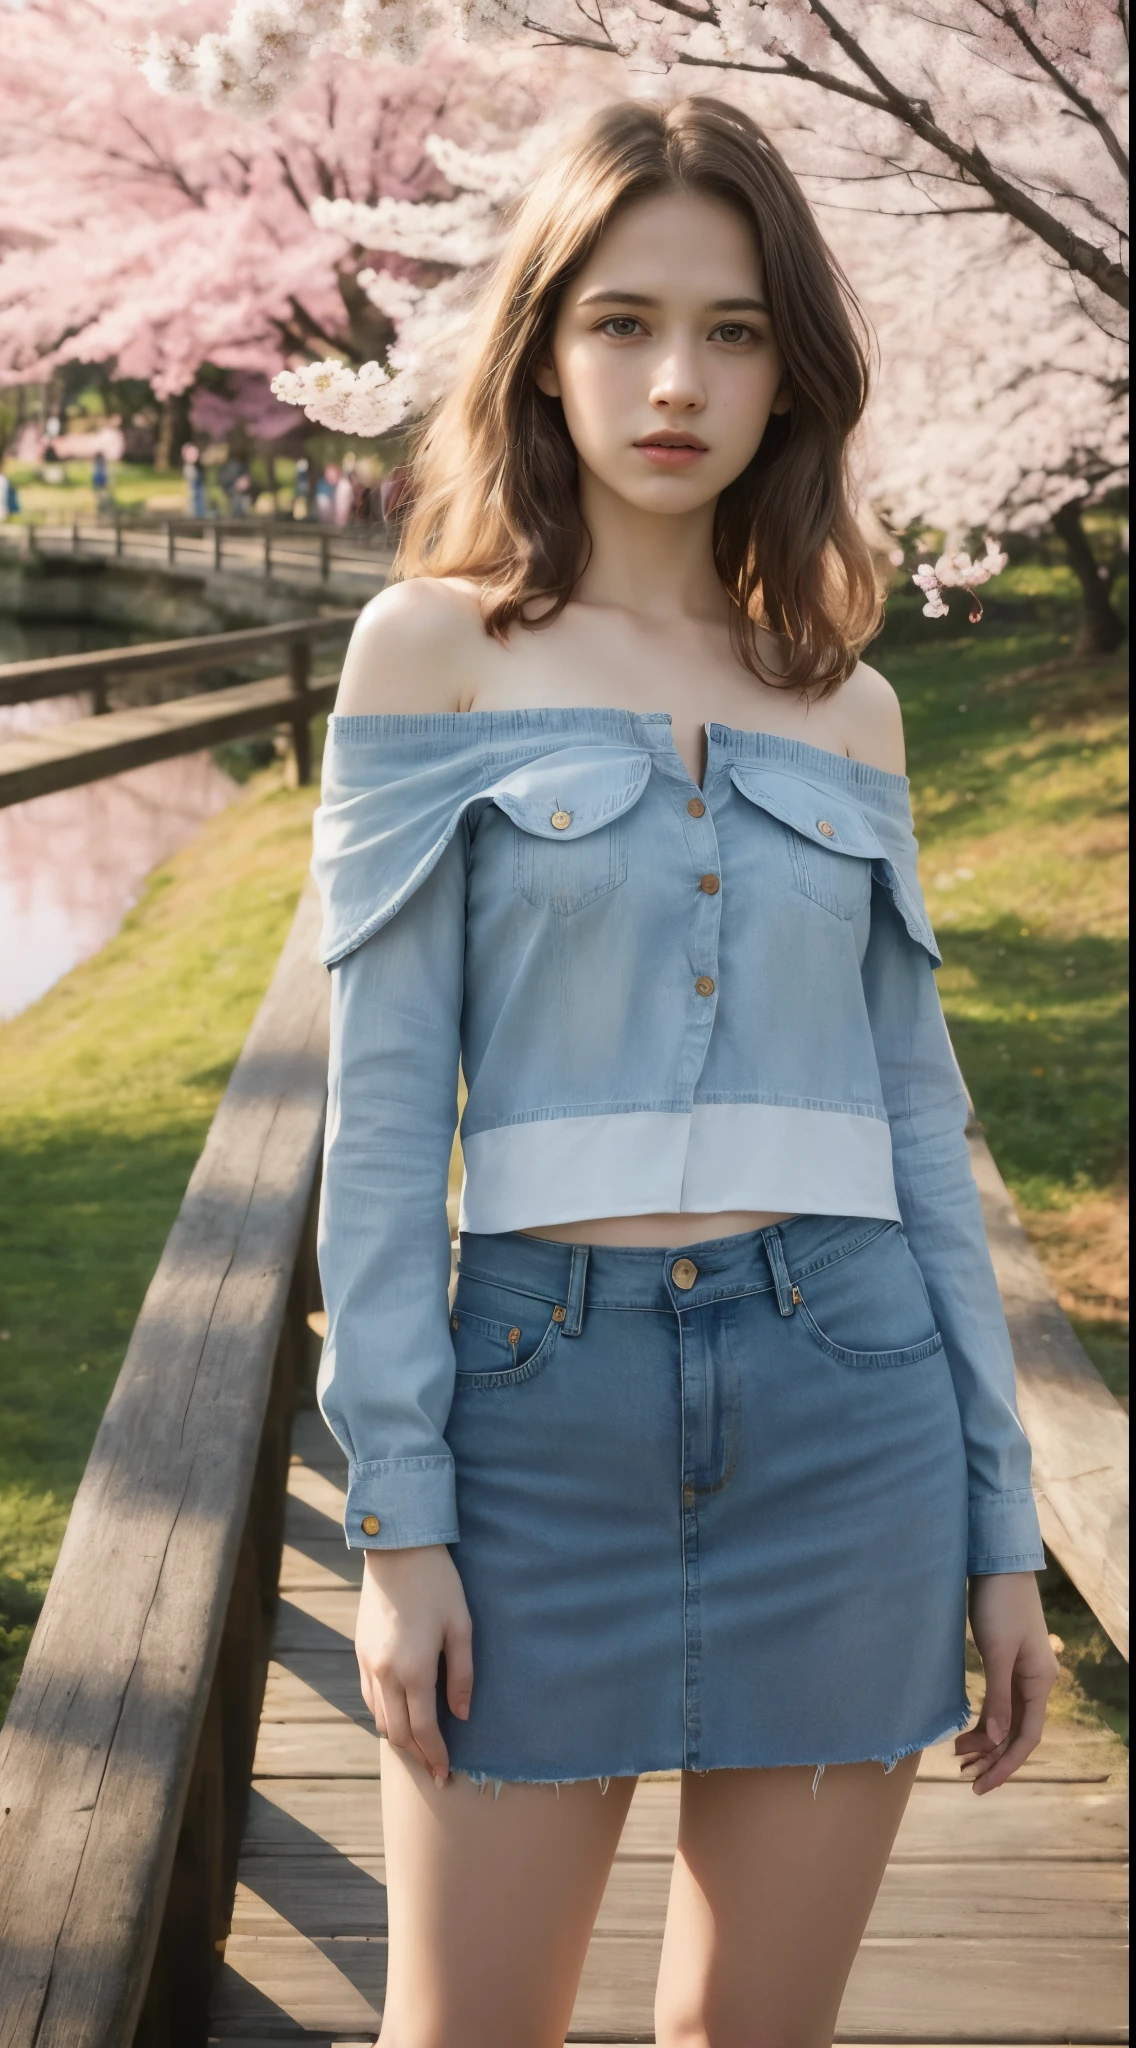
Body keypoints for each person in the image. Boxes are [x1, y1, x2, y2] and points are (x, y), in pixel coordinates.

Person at [313, 98, 1055, 2048]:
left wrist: (1000, 1524)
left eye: (732, 331)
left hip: (850, 1409)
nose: (674, 380)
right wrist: (400, 1528)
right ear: (540, 345)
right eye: (623, 320)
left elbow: (918, 1123)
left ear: (788, 371)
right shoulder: (431, 653)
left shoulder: (850, 699)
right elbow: (385, 1124)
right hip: (531, 1416)